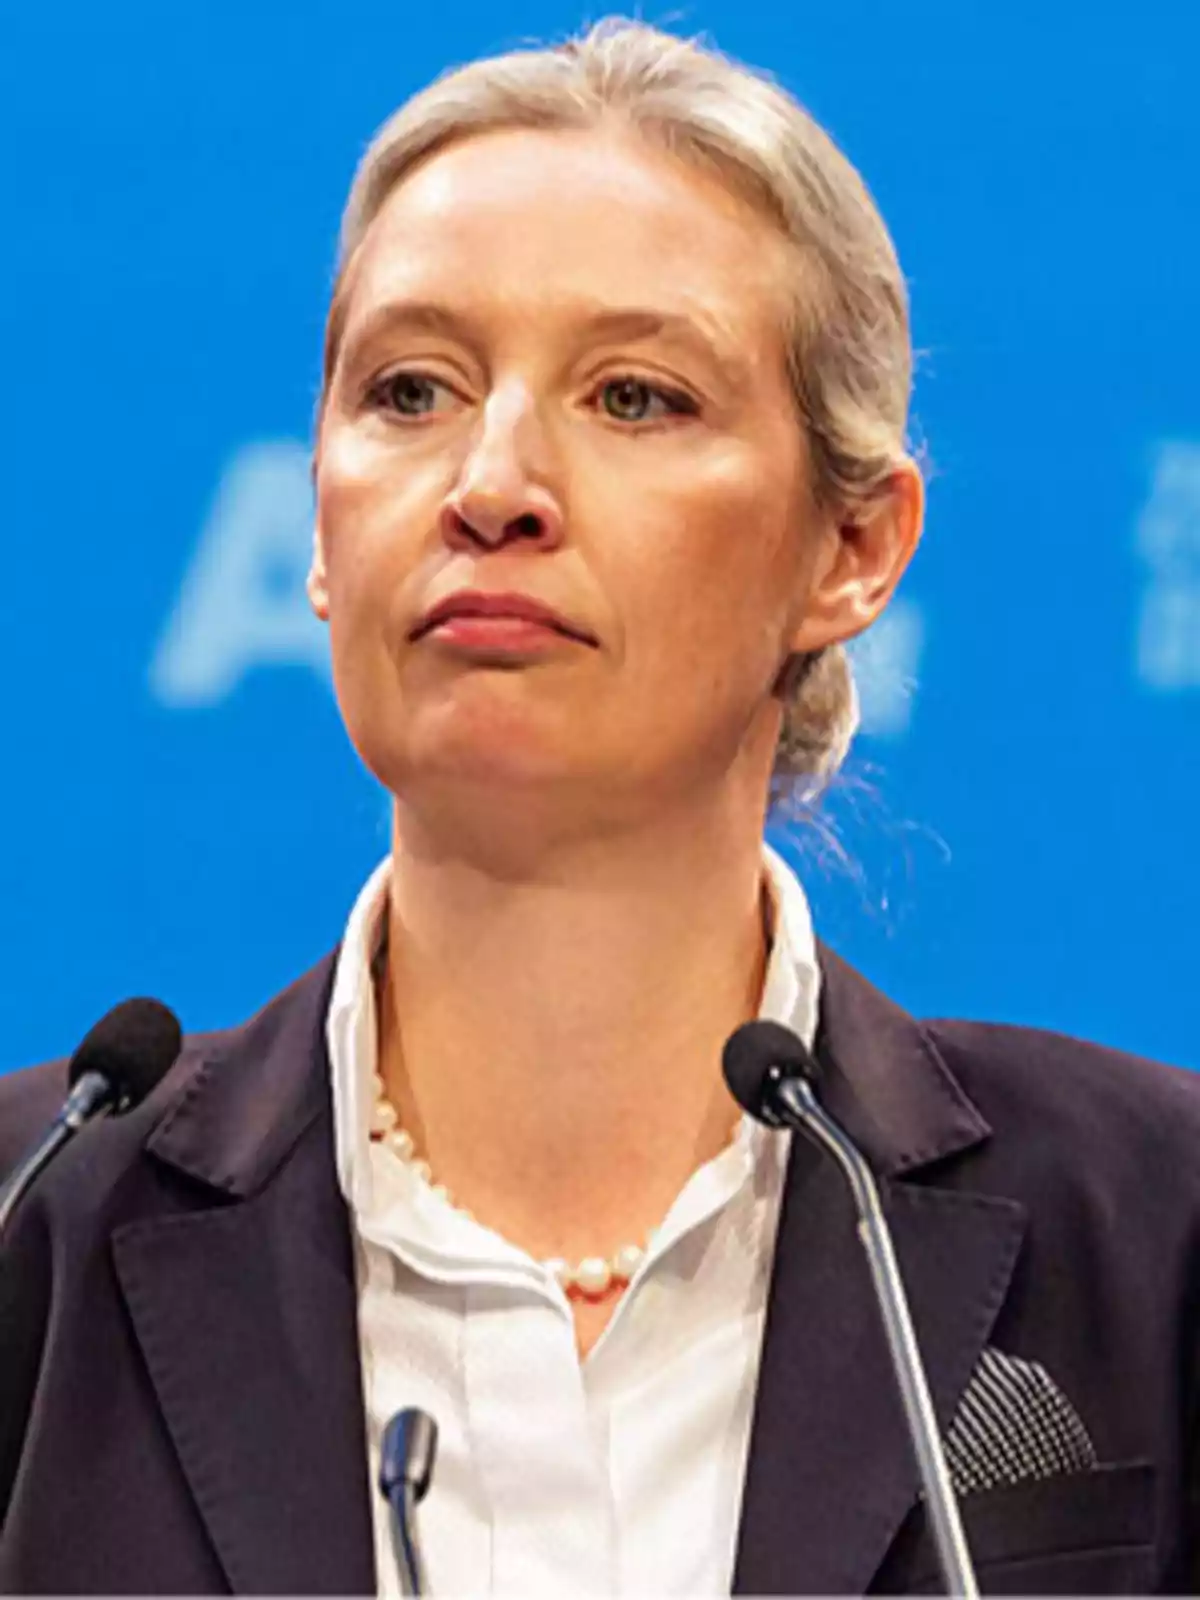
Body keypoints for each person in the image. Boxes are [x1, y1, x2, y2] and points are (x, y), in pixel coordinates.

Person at [1, 16, 1198, 1596]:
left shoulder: (1157, 1229)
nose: (491, 482)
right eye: (411, 389)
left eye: (634, 398)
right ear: (317, 525)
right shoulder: (32, 1231)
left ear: (852, 550)